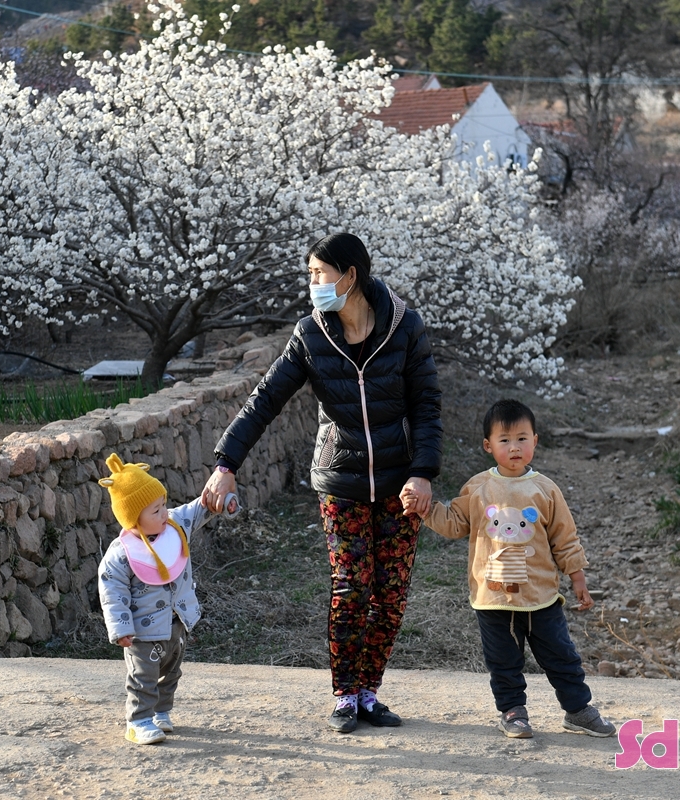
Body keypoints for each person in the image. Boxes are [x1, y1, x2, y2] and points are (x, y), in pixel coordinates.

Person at [202, 232, 442, 733]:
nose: (312, 283)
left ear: (350, 276)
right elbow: (264, 400)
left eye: (318, 273)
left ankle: (370, 692)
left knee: (390, 593)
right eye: (310, 274)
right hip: (340, 481)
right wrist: (226, 464)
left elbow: (426, 405)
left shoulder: (405, 327)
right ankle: (344, 695)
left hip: (399, 485)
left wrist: (423, 472)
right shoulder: (312, 335)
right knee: (351, 586)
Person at [407, 399, 615, 739]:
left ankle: (578, 710)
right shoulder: (478, 488)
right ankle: (513, 711)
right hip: (492, 597)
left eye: (522, 438)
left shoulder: (546, 489)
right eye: (504, 440)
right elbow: (455, 523)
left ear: (535, 441)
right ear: (488, 446)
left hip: (542, 595)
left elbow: (565, 537)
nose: (514, 447)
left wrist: (577, 577)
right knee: (503, 662)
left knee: (562, 656)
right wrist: (425, 510)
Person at [97, 453, 238, 745]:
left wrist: (220, 503)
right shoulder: (122, 554)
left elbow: (197, 510)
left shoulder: (173, 525)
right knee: (143, 677)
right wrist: (120, 627)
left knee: (171, 673)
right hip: (144, 632)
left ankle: (161, 712)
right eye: (156, 511)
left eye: (163, 504)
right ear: (133, 519)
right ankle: (138, 721)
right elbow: (112, 591)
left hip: (177, 624)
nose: (165, 513)